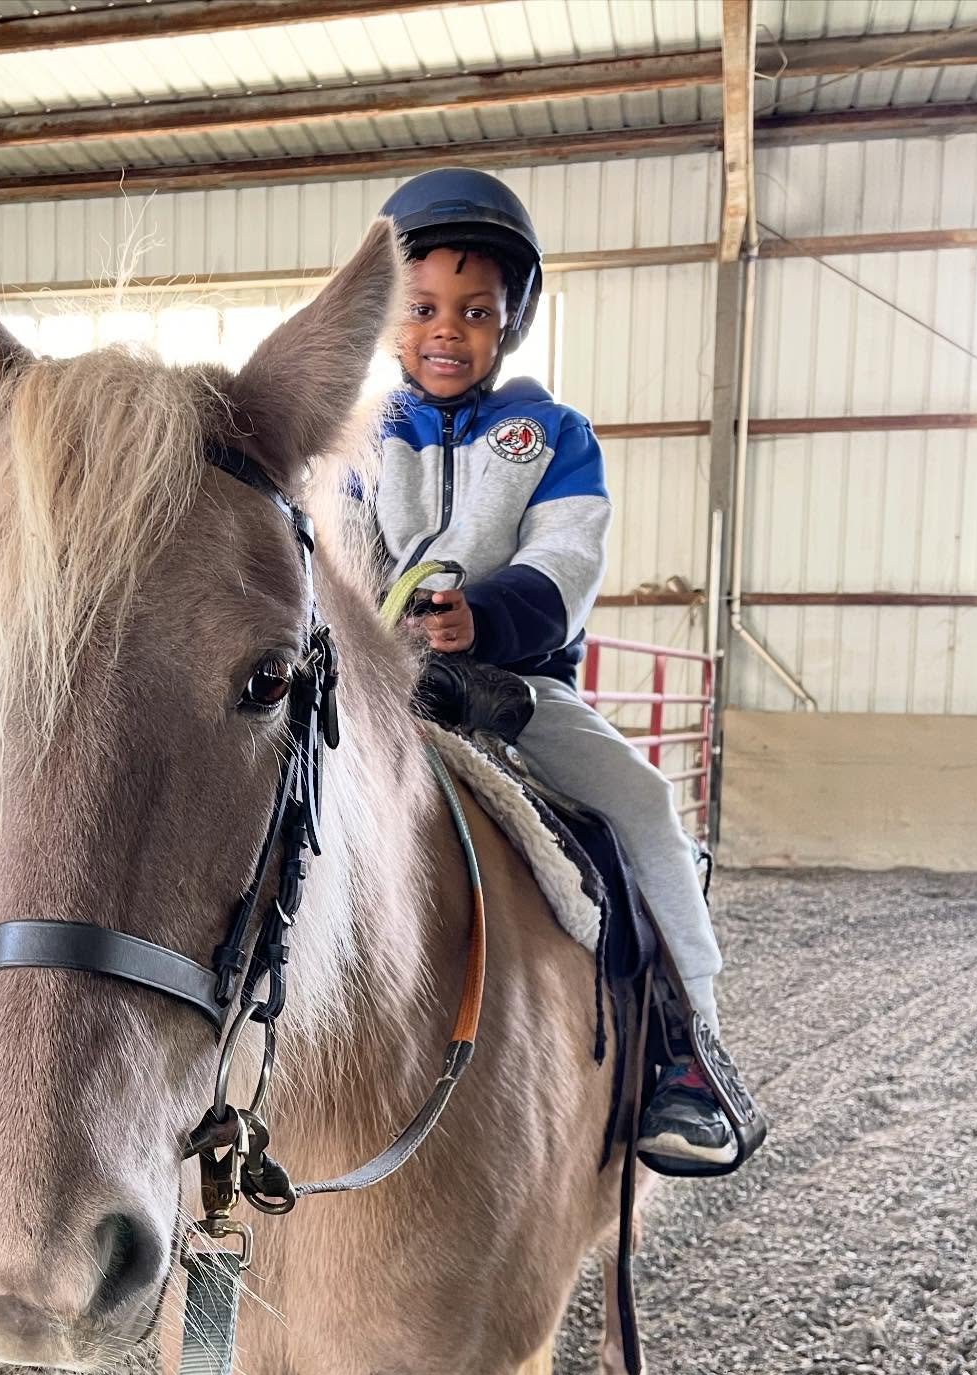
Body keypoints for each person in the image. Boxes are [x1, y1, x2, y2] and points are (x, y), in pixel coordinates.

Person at [369, 168, 757, 1171]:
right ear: (387, 315)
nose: (445, 329)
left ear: (510, 322)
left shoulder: (551, 438)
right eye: (421, 308)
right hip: (378, 688)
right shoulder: (360, 441)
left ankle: (689, 1049)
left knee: (642, 809)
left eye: (475, 310)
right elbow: (331, 550)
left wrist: (481, 618)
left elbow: (567, 560)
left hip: (516, 690)